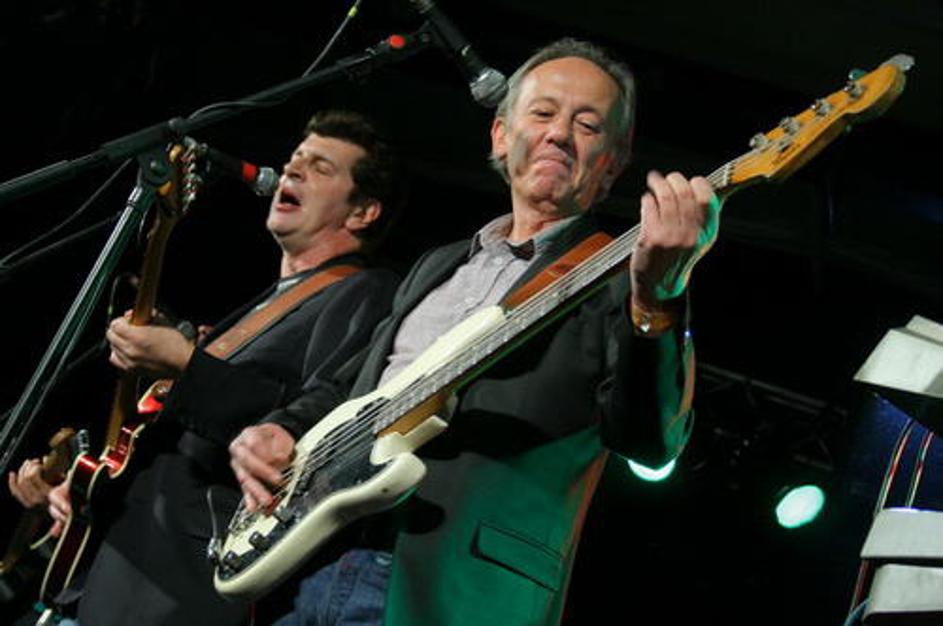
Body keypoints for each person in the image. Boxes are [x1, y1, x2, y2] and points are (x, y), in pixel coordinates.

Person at [229, 38, 721, 626]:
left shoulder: (621, 280)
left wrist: (658, 297)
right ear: (500, 136)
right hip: (315, 563)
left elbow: (651, 440)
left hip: (452, 588)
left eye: (587, 125)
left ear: (612, 162)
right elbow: (347, 388)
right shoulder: (438, 265)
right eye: (543, 113)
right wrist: (279, 429)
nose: (560, 134)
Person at [9, 110, 405, 626]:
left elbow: (315, 427)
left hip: (182, 586)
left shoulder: (366, 291)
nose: (292, 170)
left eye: (320, 167)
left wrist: (183, 363)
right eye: (295, 159)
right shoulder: (261, 306)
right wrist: (82, 494)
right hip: (109, 577)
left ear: (363, 212)